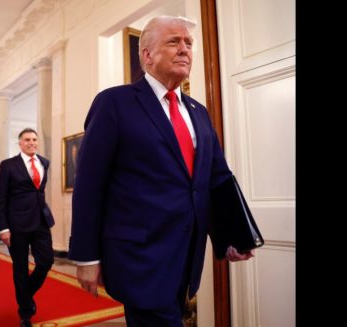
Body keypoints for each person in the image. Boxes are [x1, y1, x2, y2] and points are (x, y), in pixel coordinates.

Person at [68, 16, 253, 327]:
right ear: (147, 54)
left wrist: (234, 233)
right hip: (139, 254)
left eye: (188, 43)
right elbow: (89, 184)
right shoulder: (114, 103)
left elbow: (217, 177)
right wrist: (87, 256)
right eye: (173, 42)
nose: (184, 49)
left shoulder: (198, 111)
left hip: (187, 253)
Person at [0, 128, 55, 327]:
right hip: (16, 224)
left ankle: (25, 293)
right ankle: (25, 313)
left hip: (41, 221)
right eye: (27, 140)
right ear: (20, 143)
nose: (32, 143)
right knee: (20, 268)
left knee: (46, 261)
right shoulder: (9, 165)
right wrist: (3, 227)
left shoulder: (44, 162)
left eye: (34, 140)